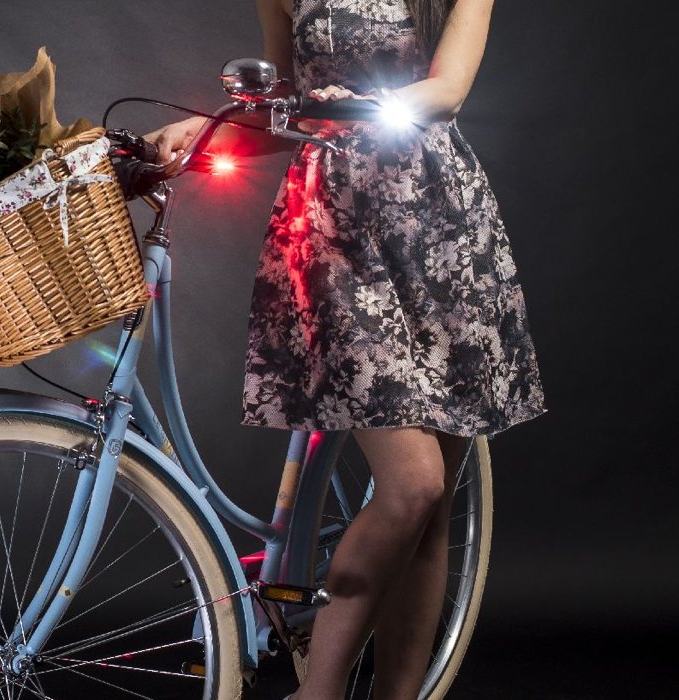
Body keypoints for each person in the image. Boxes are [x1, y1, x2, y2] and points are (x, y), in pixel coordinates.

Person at [144, 1, 547, 699]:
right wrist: (207, 130)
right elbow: (284, 108)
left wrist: (361, 103)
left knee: (427, 515)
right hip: (336, 231)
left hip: (442, 230)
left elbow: (446, 91)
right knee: (411, 484)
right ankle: (318, 691)